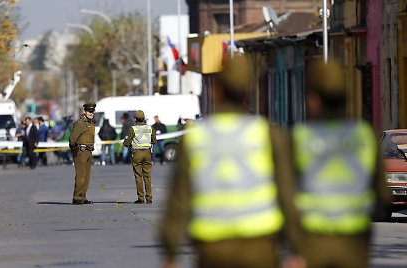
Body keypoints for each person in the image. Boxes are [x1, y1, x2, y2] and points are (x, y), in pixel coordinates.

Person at [159, 56, 291, 268]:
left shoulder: (195, 137)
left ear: (216, 91)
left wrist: (170, 252)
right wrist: (297, 249)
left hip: (212, 247)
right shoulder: (268, 134)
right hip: (260, 246)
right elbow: (287, 194)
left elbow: (179, 199)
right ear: (248, 92)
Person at [286, 59, 391, 268]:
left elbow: (287, 199)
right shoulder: (365, 135)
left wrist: (295, 247)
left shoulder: (300, 137)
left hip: (312, 243)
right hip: (354, 244)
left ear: (314, 98)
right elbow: (382, 195)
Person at [123, 110, 157, 204]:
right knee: (147, 176)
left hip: (137, 153)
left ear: (136, 119)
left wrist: (125, 142)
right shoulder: (150, 128)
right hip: (147, 154)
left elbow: (127, 143)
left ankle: (140, 198)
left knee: (138, 176)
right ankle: (149, 198)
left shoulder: (133, 129)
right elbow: (154, 141)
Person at [69, 102, 96, 205]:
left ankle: (83, 196)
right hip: (81, 152)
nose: (91, 113)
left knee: (87, 176)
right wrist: (75, 150)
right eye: (89, 111)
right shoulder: (80, 123)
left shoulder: (90, 123)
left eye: (92, 111)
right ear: (85, 111)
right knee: (81, 176)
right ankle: (77, 197)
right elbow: (72, 139)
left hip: (88, 151)